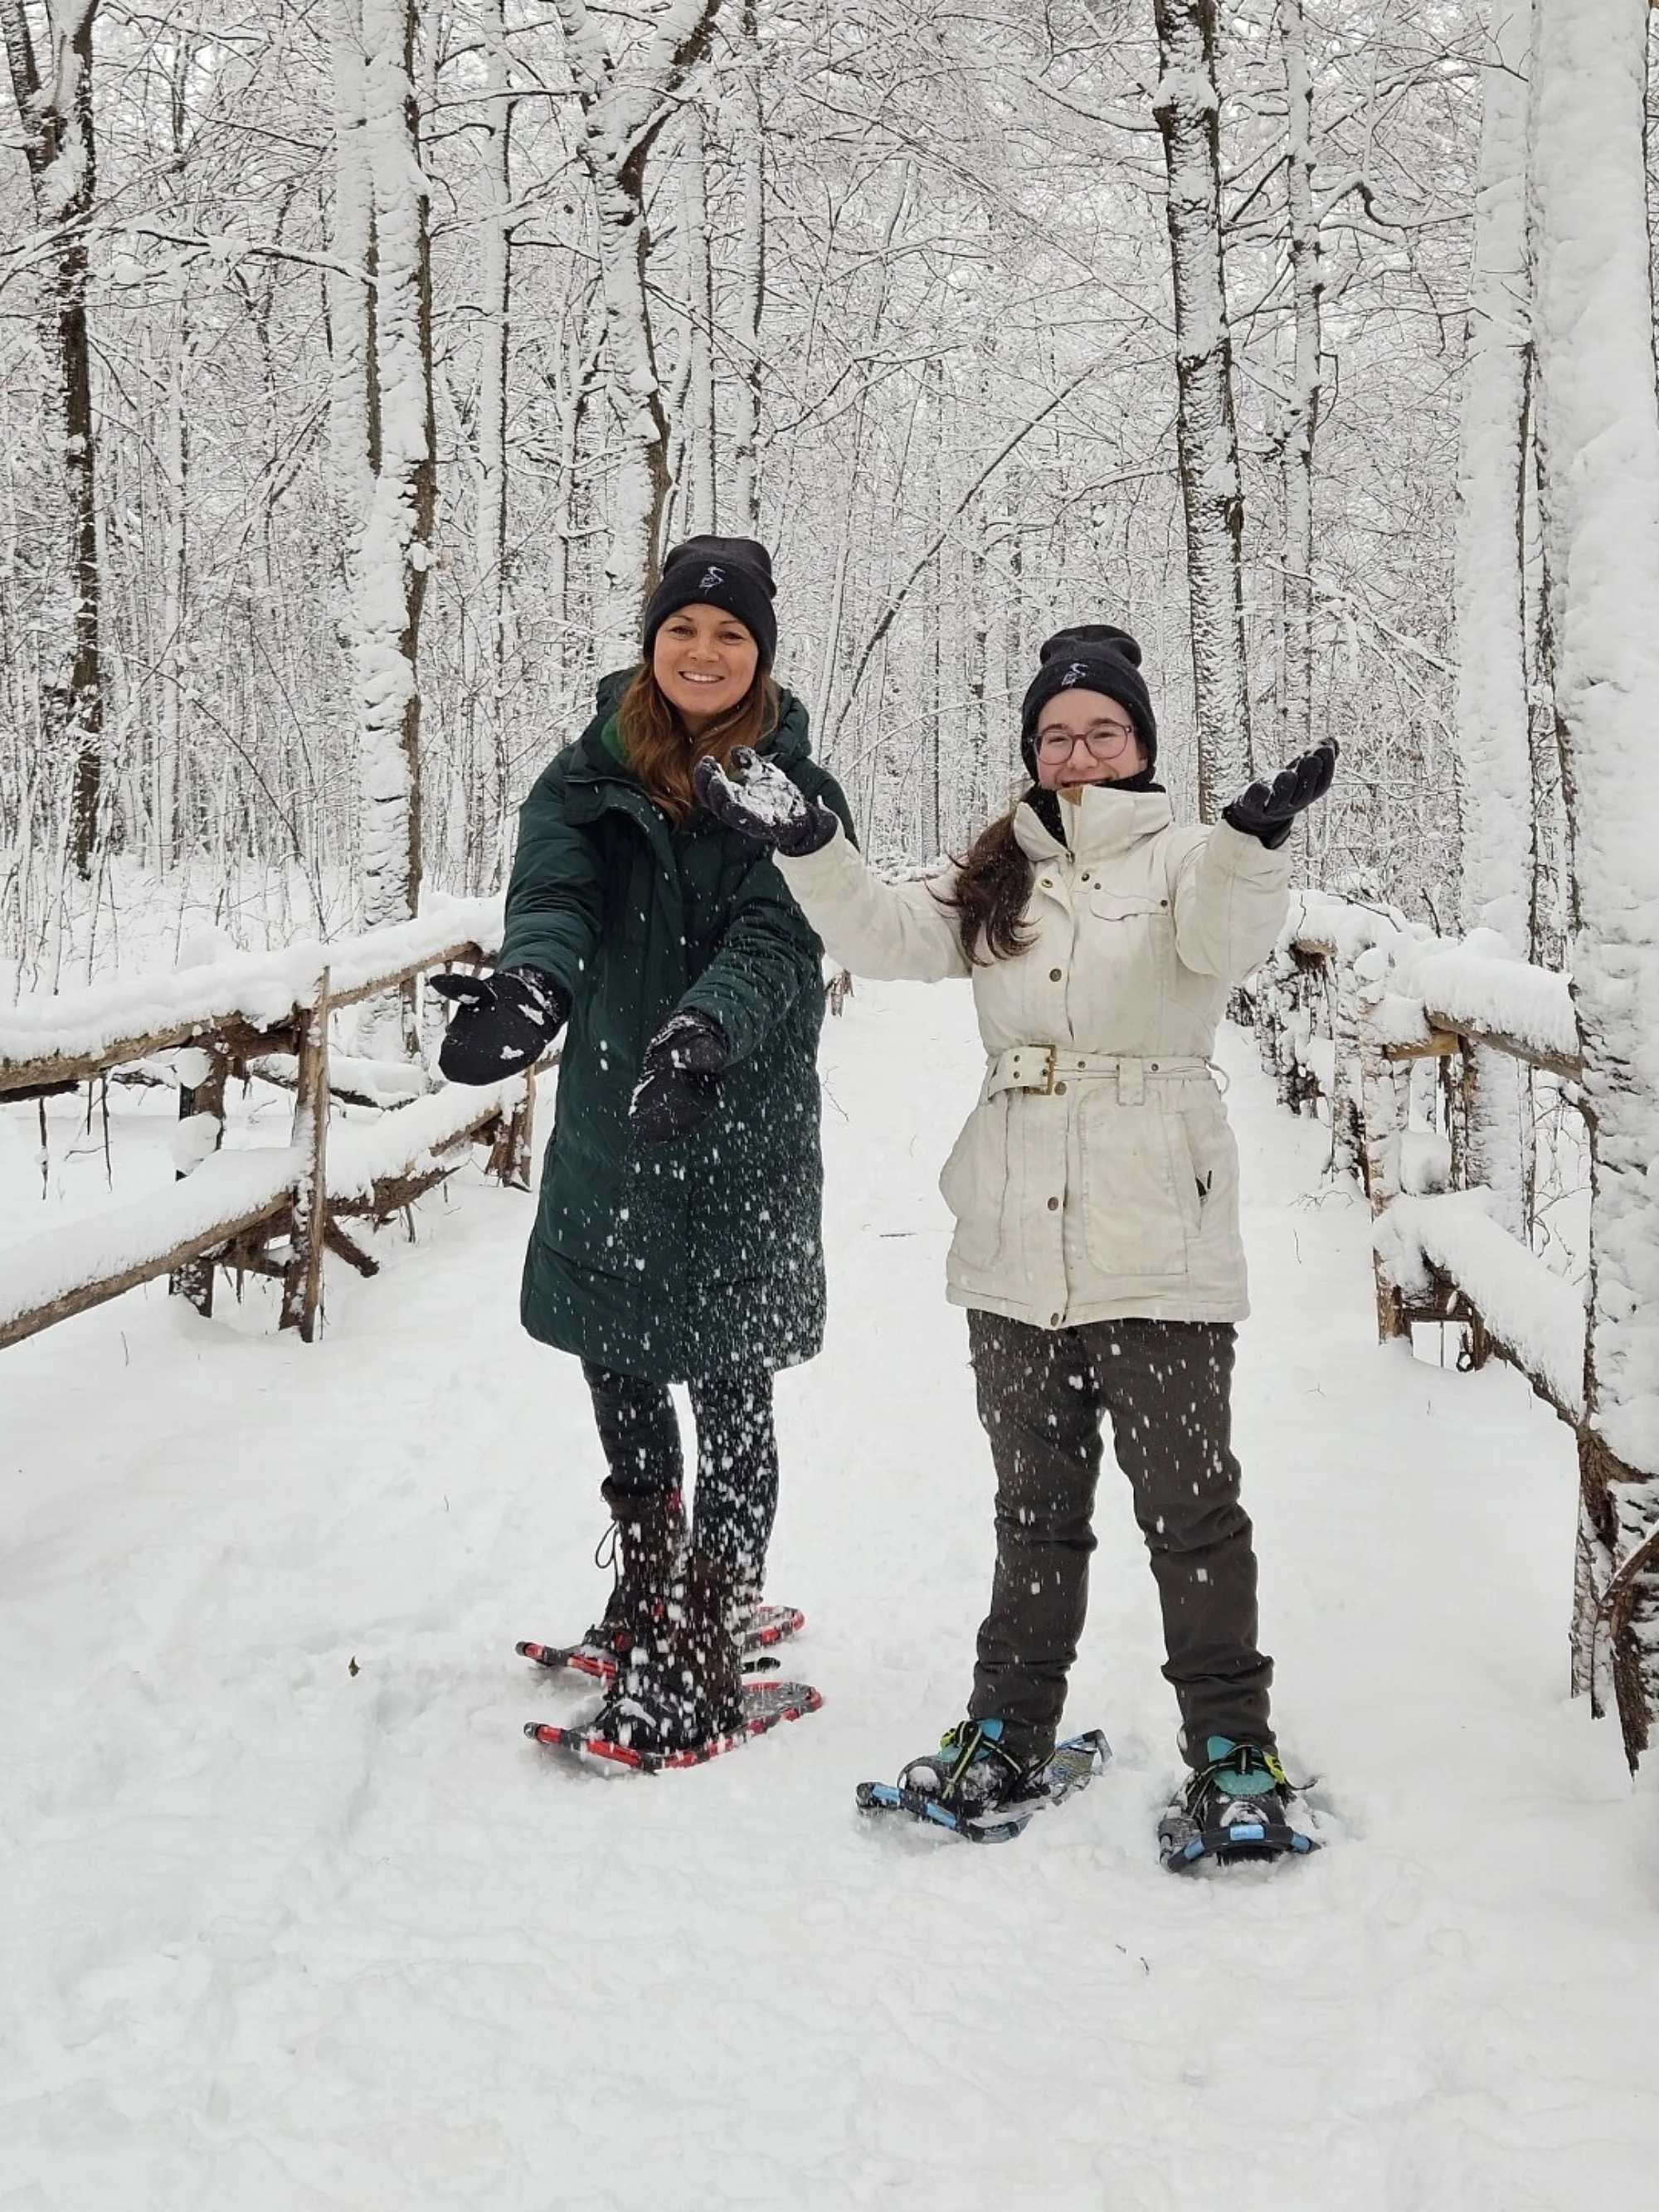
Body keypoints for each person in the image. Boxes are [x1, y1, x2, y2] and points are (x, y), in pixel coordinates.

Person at [698, 623, 1336, 1863]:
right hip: (1011, 1233)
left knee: (1190, 1507)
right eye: (1057, 735)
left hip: (1157, 1230)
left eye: (1103, 729)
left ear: (1142, 742)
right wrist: (811, 843)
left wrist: (1256, 843)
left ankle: (1231, 1744)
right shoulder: (1000, 870)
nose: (1080, 750)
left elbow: (1225, 942)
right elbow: (881, 934)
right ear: (1034, 753)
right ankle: (1009, 1727)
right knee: (1034, 1508)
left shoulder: (1194, 859)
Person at [432, 536, 853, 1757]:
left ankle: (712, 1619)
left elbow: (780, 940)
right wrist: (532, 992)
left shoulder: (794, 790)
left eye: (731, 635)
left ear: (760, 652)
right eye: (685, 630)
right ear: (652, 641)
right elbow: (555, 896)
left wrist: (703, 1033)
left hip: (738, 1118)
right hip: (618, 1113)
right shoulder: (585, 775)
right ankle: (650, 1569)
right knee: (614, 1352)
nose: (705, 652)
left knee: (729, 1373)